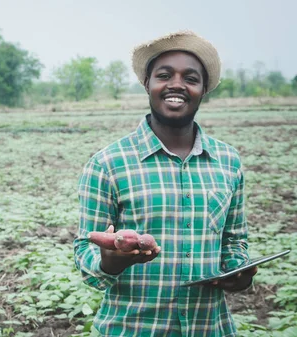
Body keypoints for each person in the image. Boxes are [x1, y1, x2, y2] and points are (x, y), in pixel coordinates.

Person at [73, 30, 257, 336]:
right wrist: (110, 262)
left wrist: (239, 272)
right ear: (148, 84)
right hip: (129, 329)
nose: (176, 85)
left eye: (190, 78)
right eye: (164, 75)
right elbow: (85, 253)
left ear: (203, 89)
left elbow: (234, 241)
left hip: (211, 328)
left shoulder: (228, 161)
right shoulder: (108, 164)